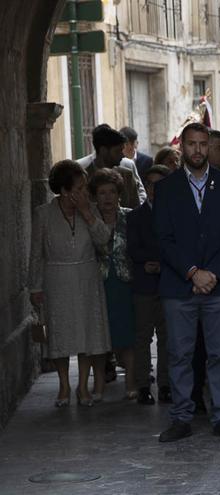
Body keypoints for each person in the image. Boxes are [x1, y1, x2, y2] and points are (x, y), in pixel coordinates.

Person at [153, 122, 220, 442]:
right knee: (179, 354)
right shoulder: (166, 188)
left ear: (210, 146)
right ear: (182, 147)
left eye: (203, 144)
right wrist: (193, 271)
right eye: (191, 144)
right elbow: (163, 238)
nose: (197, 150)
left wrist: (213, 273)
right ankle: (181, 417)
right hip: (180, 286)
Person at [29, 160, 112, 407]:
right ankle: (64, 384)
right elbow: (36, 254)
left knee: (87, 333)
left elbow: (104, 243)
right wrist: (35, 286)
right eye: (79, 188)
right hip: (57, 280)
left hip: (87, 277)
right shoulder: (43, 214)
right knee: (61, 334)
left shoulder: (92, 210)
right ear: (65, 191)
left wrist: (88, 215)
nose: (84, 192)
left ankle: (83, 386)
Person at [91, 168, 138, 400]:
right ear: (95, 196)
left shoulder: (130, 217)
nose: (107, 197)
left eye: (112, 192)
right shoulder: (87, 220)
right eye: (102, 193)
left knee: (127, 334)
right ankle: (98, 384)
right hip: (97, 284)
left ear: (119, 194)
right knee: (99, 336)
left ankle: (130, 380)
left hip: (124, 283)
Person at [128, 164, 172, 405]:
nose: (154, 189)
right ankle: (143, 384)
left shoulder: (174, 215)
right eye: (150, 184)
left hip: (167, 283)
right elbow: (133, 247)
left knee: (167, 338)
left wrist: (162, 263)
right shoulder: (135, 216)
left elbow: (176, 246)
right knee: (143, 337)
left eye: (159, 184)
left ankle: (165, 384)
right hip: (144, 284)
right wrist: (148, 260)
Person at [78, 124, 146, 208]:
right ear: (103, 151)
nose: (122, 155)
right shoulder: (82, 178)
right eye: (118, 151)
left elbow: (136, 210)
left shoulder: (127, 176)